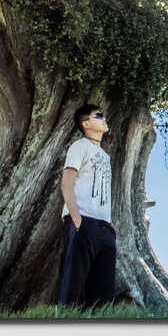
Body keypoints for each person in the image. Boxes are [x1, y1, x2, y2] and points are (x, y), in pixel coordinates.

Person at [56, 103, 120, 307]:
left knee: (103, 291)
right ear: (86, 123)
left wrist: (109, 228)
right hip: (83, 222)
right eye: (98, 116)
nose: (104, 118)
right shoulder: (79, 146)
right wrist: (76, 219)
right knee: (72, 284)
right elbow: (67, 181)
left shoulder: (105, 156)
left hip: (105, 228)